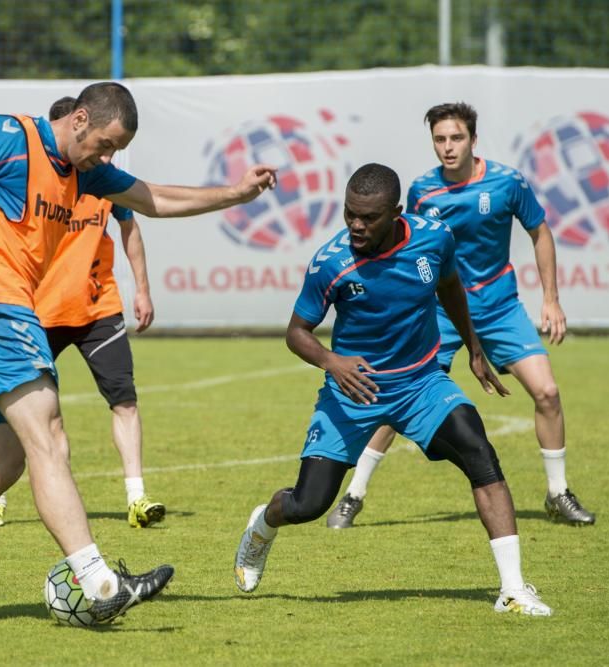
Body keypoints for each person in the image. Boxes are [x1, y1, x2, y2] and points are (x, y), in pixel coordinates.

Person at [0, 81, 277, 625]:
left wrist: (234, 195)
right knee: (49, 438)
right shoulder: (12, 136)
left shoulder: (87, 171)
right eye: (104, 143)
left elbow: (155, 199)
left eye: (115, 150)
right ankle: (100, 583)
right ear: (77, 120)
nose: (108, 156)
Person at [234, 163, 553, 616]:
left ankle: (513, 589)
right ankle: (262, 527)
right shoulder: (330, 263)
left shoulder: (434, 238)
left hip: (421, 384)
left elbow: (449, 287)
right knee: (308, 504)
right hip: (353, 391)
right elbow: (296, 332)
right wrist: (331, 361)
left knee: (479, 451)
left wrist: (474, 348)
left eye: (368, 217)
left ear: (396, 213)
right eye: (350, 215)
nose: (357, 226)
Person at [325, 102, 595, 530]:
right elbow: (404, 251)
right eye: (439, 139)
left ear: (473, 139)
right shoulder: (421, 191)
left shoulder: (508, 182)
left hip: (500, 308)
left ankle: (558, 493)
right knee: (398, 397)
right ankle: (353, 495)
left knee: (547, 392)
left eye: (456, 138)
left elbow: (540, 232)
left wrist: (551, 298)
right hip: (442, 314)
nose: (448, 147)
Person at [0, 96, 165, 531]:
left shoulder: (102, 181)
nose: (97, 157)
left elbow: (132, 225)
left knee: (124, 401)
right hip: (39, 310)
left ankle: (137, 497)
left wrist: (142, 288)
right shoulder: (38, 175)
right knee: (12, 407)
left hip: (97, 307)